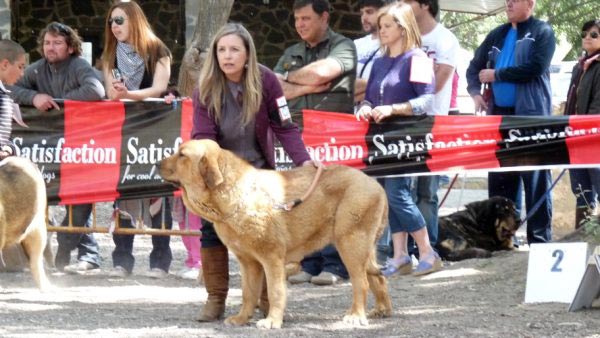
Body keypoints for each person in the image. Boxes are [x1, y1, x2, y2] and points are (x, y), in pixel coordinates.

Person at [192, 22, 313, 321]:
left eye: (234, 49)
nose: (227, 56)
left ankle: (266, 301)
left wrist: (305, 161)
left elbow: (284, 125)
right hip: (219, 177)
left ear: (248, 54)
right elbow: (203, 139)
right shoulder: (204, 88)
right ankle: (215, 299)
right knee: (210, 231)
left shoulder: (267, 80)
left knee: (263, 236)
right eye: (221, 50)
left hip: (260, 175)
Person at [8, 22, 105, 274]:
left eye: (57, 43)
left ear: (71, 47)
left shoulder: (79, 66)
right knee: (52, 194)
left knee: (81, 196)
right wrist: (34, 98)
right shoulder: (38, 69)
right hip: (50, 145)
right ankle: (85, 254)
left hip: (84, 142)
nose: (51, 47)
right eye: (47, 43)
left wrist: (60, 103)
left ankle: (69, 248)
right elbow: (10, 86)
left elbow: (96, 90)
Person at [356, 2, 441, 277]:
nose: (381, 31)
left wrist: (394, 109)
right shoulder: (379, 61)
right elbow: (369, 96)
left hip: (406, 135)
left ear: (403, 28)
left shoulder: (418, 58)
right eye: (381, 26)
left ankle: (427, 252)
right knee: (387, 194)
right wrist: (365, 107)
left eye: (387, 26)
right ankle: (400, 255)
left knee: (397, 193)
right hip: (379, 137)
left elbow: (426, 99)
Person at [274, 0, 355, 286]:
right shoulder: (291, 53)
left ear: (324, 17)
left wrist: (291, 80)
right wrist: (305, 85)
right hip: (299, 137)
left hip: (335, 137)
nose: (300, 24)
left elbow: (323, 72)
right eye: (297, 19)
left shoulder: (344, 46)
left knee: (334, 201)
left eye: (306, 18)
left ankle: (336, 265)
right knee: (305, 200)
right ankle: (309, 263)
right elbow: (275, 90)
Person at [466, 0, 556, 244]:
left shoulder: (542, 31)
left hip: (530, 117)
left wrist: (498, 75)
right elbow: (473, 67)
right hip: (499, 117)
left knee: (534, 178)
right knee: (501, 179)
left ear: (530, 3)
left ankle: (539, 240)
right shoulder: (496, 34)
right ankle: (502, 238)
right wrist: (475, 93)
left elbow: (537, 67)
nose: (509, 3)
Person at [101, 0, 173, 278]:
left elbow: (159, 87)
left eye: (120, 20)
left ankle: (160, 261)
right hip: (126, 128)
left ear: (135, 20)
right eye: (111, 21)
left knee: (160, 189)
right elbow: (110, 94)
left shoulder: (158, 49)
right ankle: (121, 260)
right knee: (125, 190)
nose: (114, 26)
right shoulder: (110, 54)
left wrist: (130, 94)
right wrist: (118, 92)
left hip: (157, 128)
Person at [403, 0, 460, 255]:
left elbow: (437, 82)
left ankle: (427, 249)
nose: (402, 5)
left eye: (408, 1)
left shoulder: (445, 39)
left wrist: (406, 93)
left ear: (425, 4)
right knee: (399, 188)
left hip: (432, 121)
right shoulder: (402, 35)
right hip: (402, 121)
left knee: (426, 190)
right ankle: (400, 250)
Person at [564, 19, 600, 228]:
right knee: (581, 192)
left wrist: (586, 133)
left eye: (594, 34)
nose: (587, 37)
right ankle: (584, 238)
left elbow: (597, 108)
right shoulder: (580, 66)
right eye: (585, 33)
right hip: (575, 137)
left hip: (593, 139)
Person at [0, 39, 25, 161]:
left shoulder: (5, 95)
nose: (22, 74)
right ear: (5, 65)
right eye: (20, 67)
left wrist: (9, 149)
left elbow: (5, 138)